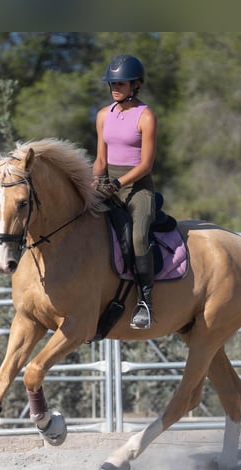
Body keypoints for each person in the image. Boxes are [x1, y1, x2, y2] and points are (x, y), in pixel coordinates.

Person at [93, 54, 158, 330]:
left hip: (137, 189)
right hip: (108, 185)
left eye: (121, 82)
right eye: (112, 83)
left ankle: (145, 302)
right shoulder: (102, 116)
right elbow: (100, 159)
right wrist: (94, 183)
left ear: (135, 84)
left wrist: (118, 184)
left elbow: (146, 164)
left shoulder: (146, 116)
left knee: (139, 237)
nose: (115, 87)